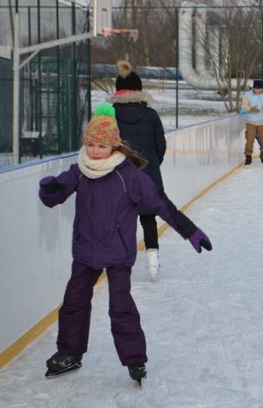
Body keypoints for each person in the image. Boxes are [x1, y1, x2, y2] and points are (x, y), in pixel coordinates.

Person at [38, 104, 212, 385]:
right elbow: (57, 194)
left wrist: (190, 231)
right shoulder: (80, 170)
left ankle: (135, 359)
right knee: (73, 303)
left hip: (118, 252)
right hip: (85, 250)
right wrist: (49, 190)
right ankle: (69, 353)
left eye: (102, 145)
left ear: (114, 144)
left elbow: (161, 204)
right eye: (91, 143)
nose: (95, 150)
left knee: (121, 306)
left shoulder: (128, 175)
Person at [109, 60, 166, 281]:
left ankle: (122, 263)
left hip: (118, 176)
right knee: (148, 218)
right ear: (139, 90)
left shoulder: (110, 115)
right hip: (147, 175)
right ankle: (153, 263)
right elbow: (160, 145)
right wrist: (151, 165)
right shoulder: (151, 115)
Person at [241, 79, 263, 165]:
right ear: (253, 88)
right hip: (251, 121)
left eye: (259, 89)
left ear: (262, 88)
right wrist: (251, 109)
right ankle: (248, 156)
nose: (258, 90)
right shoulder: (247, 95)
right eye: (256, 89)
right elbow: (243, 106)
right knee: (250, 140)